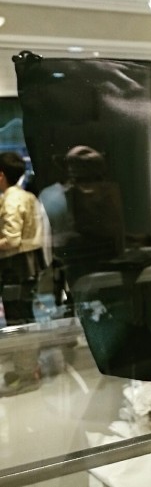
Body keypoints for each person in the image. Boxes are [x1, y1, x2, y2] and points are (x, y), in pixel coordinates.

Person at [0, 151, 45, 396]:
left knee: (18, 321)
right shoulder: (26, 196)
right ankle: (28, 368)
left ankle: (27, 374)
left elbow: (12, 239)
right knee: (24, 317)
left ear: (1, 175)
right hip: (27, 264)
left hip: (15, 266)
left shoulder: (11, 199)